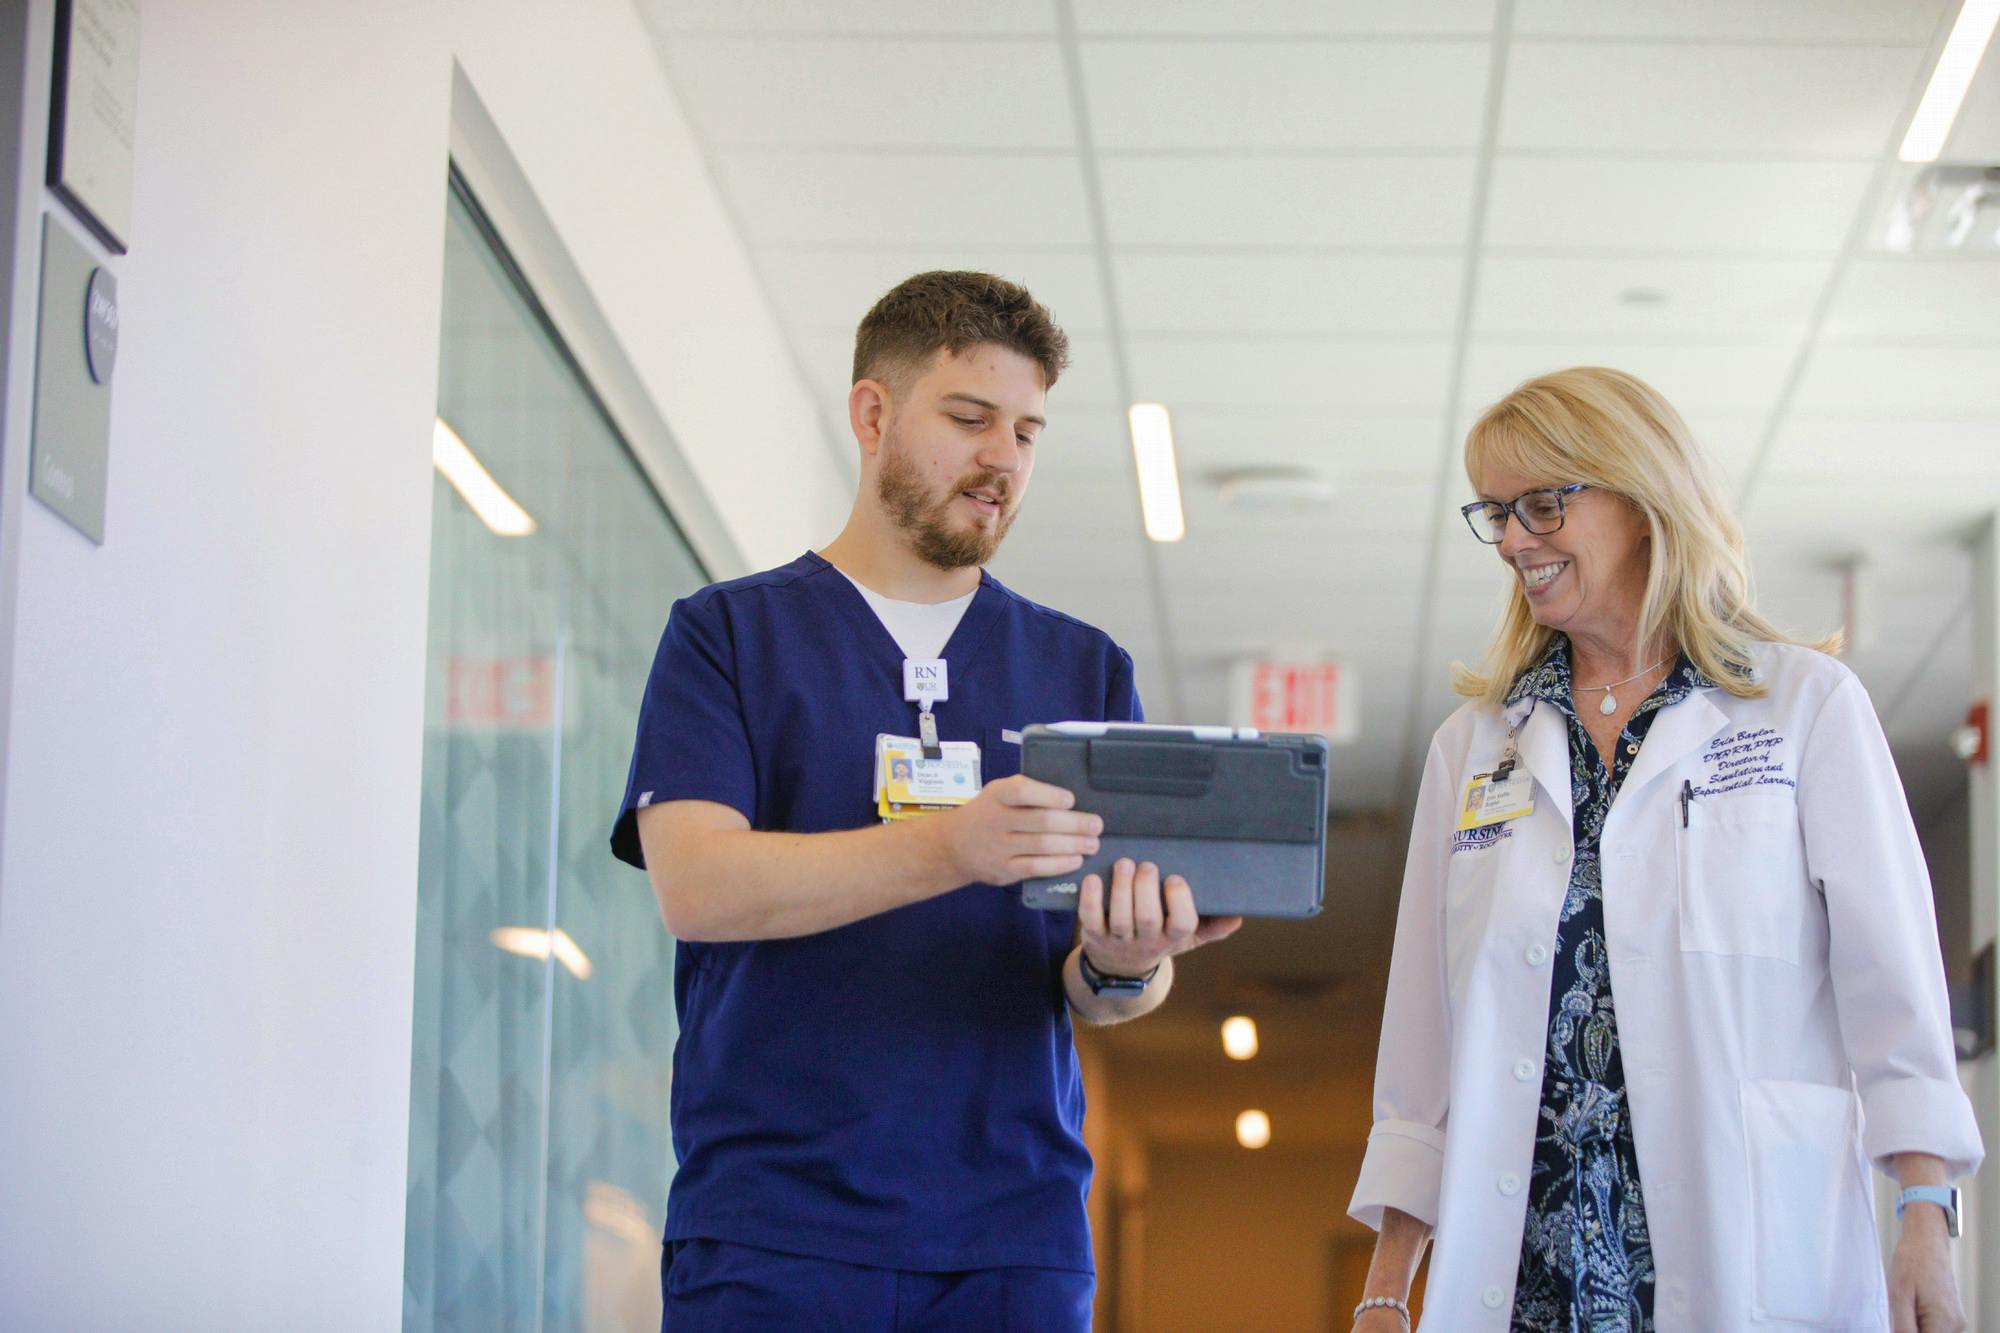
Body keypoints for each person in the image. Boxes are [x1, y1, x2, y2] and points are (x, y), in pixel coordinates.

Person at [611, 270, 1241, 1330]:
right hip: (774, 1230)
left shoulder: (1083, 669)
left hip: (1011, 1239)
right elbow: (698, 888)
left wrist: (1127, 959)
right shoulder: (727, 636)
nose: (1004, 458)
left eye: (1027, 432)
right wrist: (952, 848)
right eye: (969, 418)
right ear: (872, 415)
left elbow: (1097, 988)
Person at [1347, 367, 1982, 1332]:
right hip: (1526, 1284)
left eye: (1543, 506)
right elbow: (1422, 1048)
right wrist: (1388, 1287)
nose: (1514, 540)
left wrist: (1925, 1213)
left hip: (1749, 1262)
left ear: (1642, 502)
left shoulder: (1802, 709)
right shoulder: (1473, 747)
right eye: (1497, 513)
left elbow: (1893, 989)